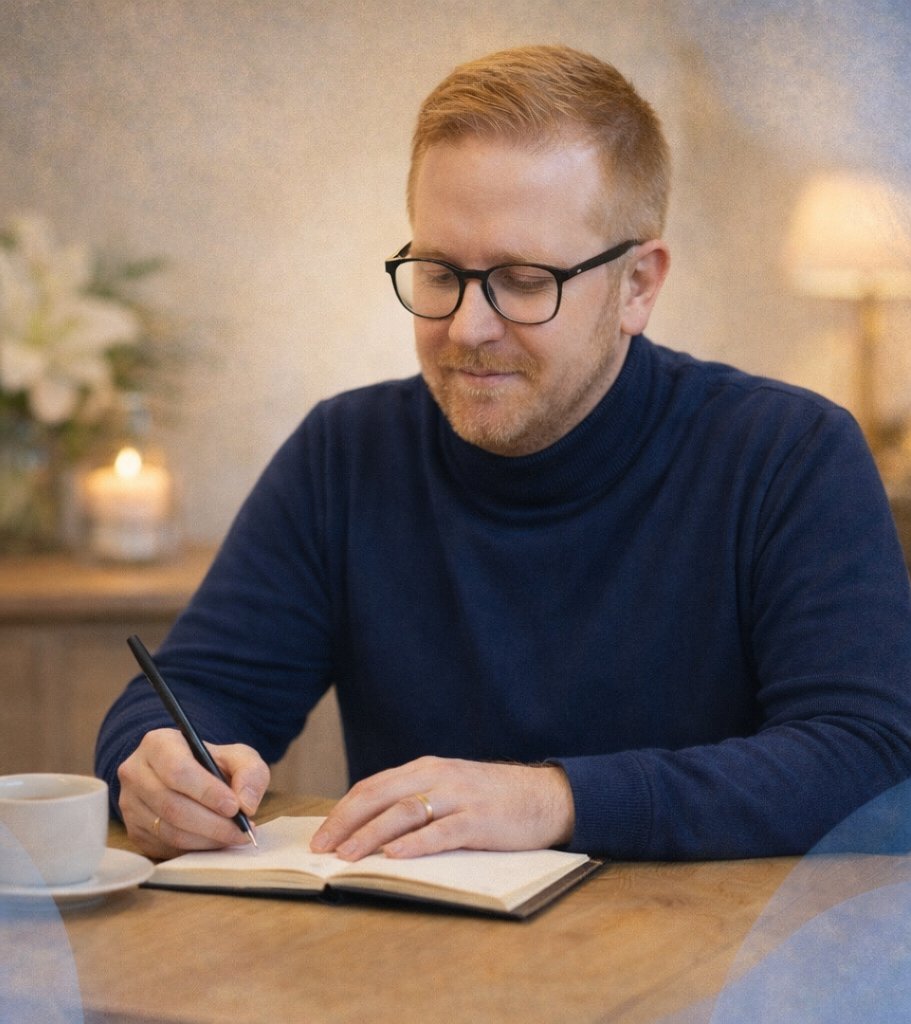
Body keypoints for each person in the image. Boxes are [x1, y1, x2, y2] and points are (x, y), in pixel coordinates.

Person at [96, 44, 911, 863]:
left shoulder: (788, 454)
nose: (466, 329)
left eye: (523, 279)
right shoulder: (345, 454)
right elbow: (196, 693)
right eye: (439, 271)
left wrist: (553, 801)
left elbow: (870, 758)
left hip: (719, 973)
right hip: (415, 970)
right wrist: (159, 762)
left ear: (638, 286)